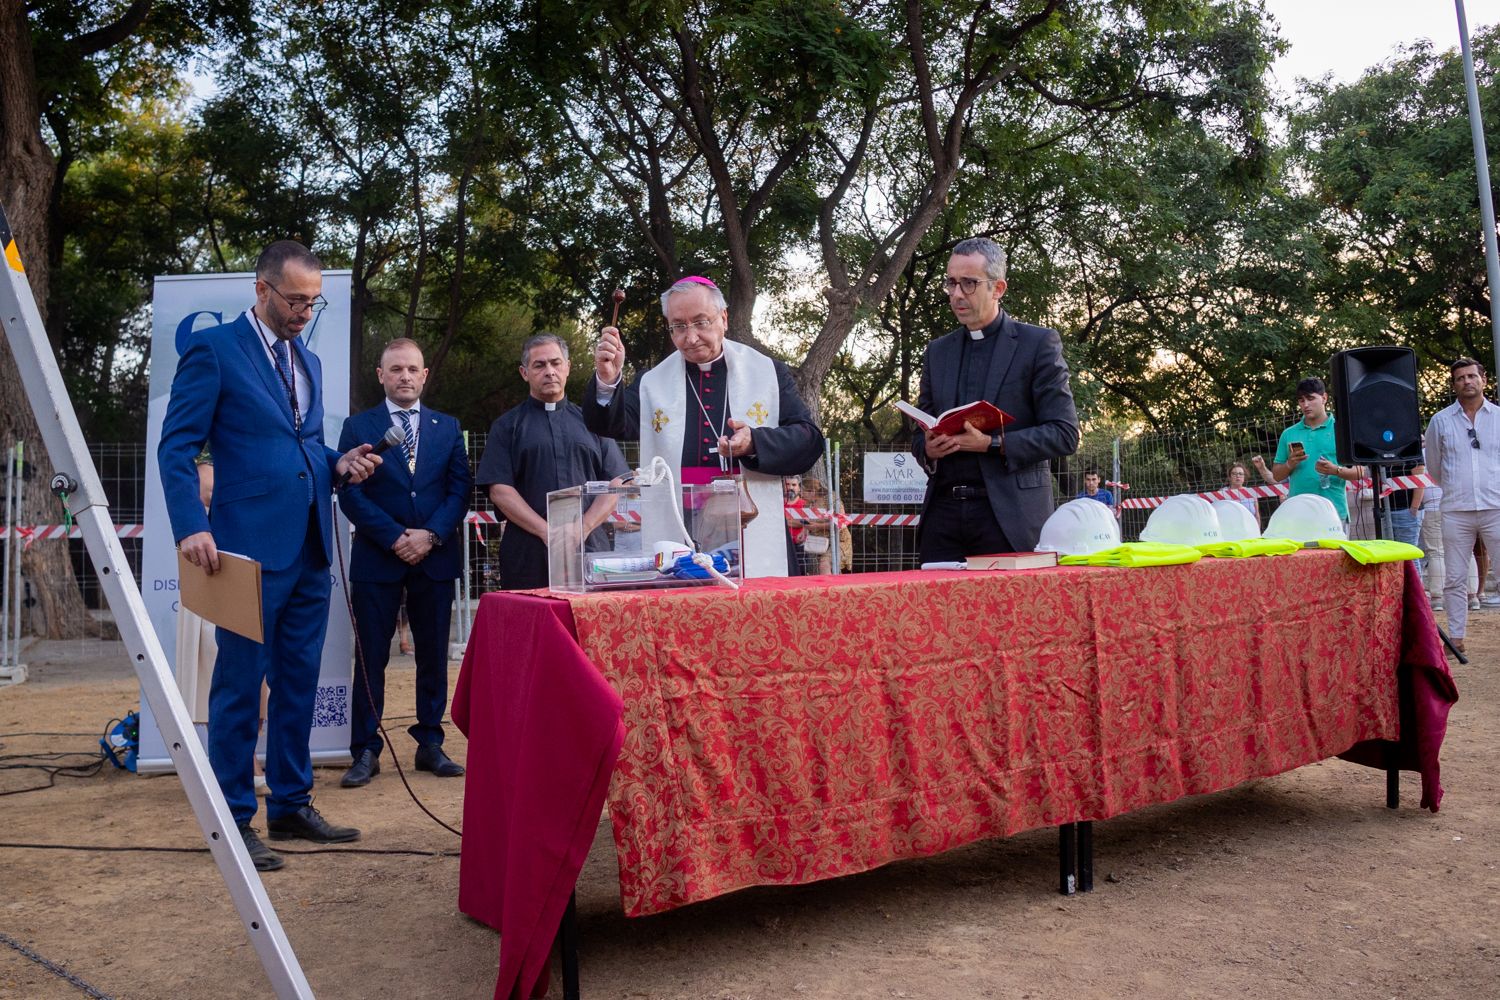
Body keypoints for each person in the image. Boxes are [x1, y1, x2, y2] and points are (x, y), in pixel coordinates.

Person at [158, 240, 381, 872]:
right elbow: (177, 447)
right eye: (295, 300)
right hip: (244, 549)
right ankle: (232, 819)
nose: (305, 313)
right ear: (261, 289)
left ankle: (290, 804)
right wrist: (190, 526)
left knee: (298, 683)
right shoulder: (214, 350)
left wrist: (339, 463)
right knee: (238, 687)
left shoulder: (307, 358)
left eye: (314, 302)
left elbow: (301, 445)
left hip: (310, 545)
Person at [586, 276, 825, 576]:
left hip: (750, 524)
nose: (691, 337)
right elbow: (610, 423)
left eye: (701, 322)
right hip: (680, 524)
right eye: (679, 326)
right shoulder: (653, 382)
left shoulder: (767, 372)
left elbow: (809, 439)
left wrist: (755, 442)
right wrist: (608, 379)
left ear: (723, 318)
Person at [336, 338, 472, 789]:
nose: (405, 377)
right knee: (370, 657)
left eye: (413, 369)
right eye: (396, 369)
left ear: (424, 375)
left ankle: (430, 743)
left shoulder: (448, 427)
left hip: (434, 558)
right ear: (381, 375)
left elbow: (459, 490)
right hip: (378, 558)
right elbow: (350, 493)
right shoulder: (359, 427)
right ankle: (365, 750)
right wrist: (395, 537)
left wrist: (429, 536)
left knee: (432, 655)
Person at [910, 237, 1079, 559]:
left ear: (998, 288)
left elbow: (1064, 433)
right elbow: (920, 432)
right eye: (951, 283)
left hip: (1010, 517)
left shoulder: (1037, 344)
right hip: (942, 518)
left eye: (969, 283)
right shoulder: (937, 352)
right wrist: (928, 448)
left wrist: (991, 444)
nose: (957, 294)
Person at [479, 334, 629, 589]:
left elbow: (617, 482)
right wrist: (545, 531)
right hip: (527, 553)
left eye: (555, 363)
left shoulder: (594, 422)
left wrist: (582, 528)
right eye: (539, 365)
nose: (549, 371)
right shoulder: (506, 427)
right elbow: (500, 489)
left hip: (589, 549)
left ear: (567, 367)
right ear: (524, 373)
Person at [1424, 356, 1500, 654]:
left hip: (1496, 506)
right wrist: (1458, 486)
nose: (1467, 381)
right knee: (1454, 577)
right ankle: (1456, 638)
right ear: (1454, 384)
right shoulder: (1440, 421)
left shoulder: (1498, 417)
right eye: (1460, 378)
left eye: (1472, 376)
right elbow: (1434, 465)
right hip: (1456, 509)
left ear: (1484, 380)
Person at [1252, 377, 1365, 530]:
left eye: (1311, 398)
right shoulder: (1288, 434)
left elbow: (1360, 471)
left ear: (1324, 398)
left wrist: (1335, 470)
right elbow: (1277, 476)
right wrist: (1289, 464)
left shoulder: (1342, 430)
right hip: (1298, 514)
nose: (1305, 405)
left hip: (1334, 513)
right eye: (1301, 400)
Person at [1225, 462, 1260, 529]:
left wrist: (1258, 531)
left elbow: (1257, 515)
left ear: (1244, 477)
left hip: (1250, 529)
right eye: (1234, 474)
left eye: (1240, 474)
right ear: (1229, 477)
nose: (1238, 476)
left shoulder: (1251, 493)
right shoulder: (1223, 492)